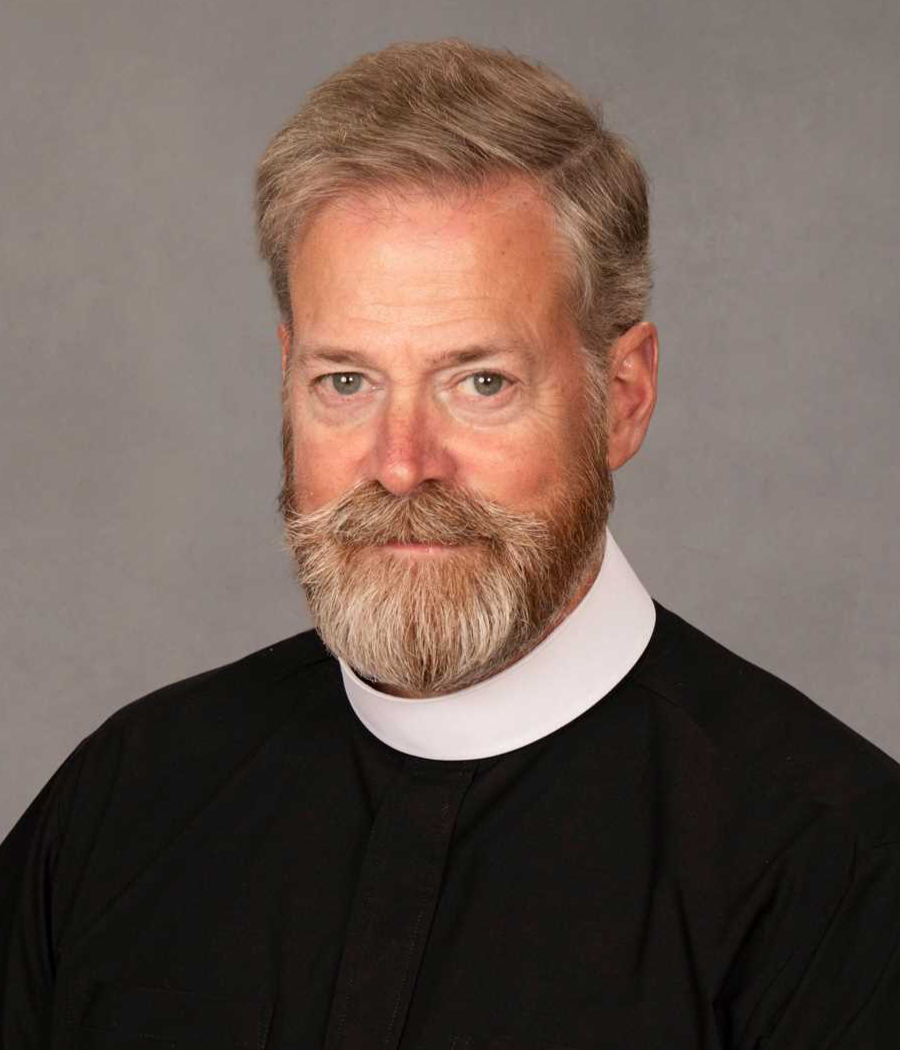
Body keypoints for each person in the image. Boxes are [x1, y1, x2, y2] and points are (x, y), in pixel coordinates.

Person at [2, 37, 899, 1050]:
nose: (401, 463)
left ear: (625, 398)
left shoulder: (837, 871)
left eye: (481, 382)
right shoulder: (126, 800)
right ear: (288, 377)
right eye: (349, 381)